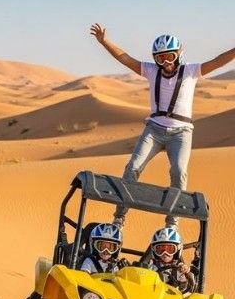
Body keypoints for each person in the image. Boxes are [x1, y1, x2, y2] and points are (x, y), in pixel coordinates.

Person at [90, 23, 235, 227]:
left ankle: (172, 221)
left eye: (169, 56)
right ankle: (119, 217)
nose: (165, 61)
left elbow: (218, 62)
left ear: (178, 53)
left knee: (178, 171)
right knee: (132, 167)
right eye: (160, 57)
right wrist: (104, 41)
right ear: (155, 59)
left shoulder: (191, 71)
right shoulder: (150, 71)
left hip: (181, 132)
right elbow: (125, 58)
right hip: (154, 129)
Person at [143, 226, 196, 293]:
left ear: (178, 249)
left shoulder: (181, 268)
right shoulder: (152, 267)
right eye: (160, 250)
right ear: (154, 250)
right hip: (155, 297)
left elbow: (190, 287)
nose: (165, 253)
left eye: (170, 249)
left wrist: (187, 273)